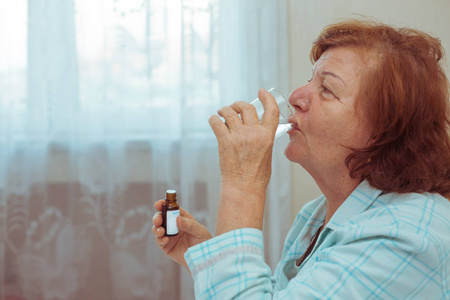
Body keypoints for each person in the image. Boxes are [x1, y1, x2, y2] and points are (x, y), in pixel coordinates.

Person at [152, 19, 450, 299]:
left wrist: (242, 182)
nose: (296, 96)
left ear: (384, 130)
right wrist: (211, 256)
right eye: (311, 80)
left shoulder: (406, 237)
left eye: (327, 89)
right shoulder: (316, 215)